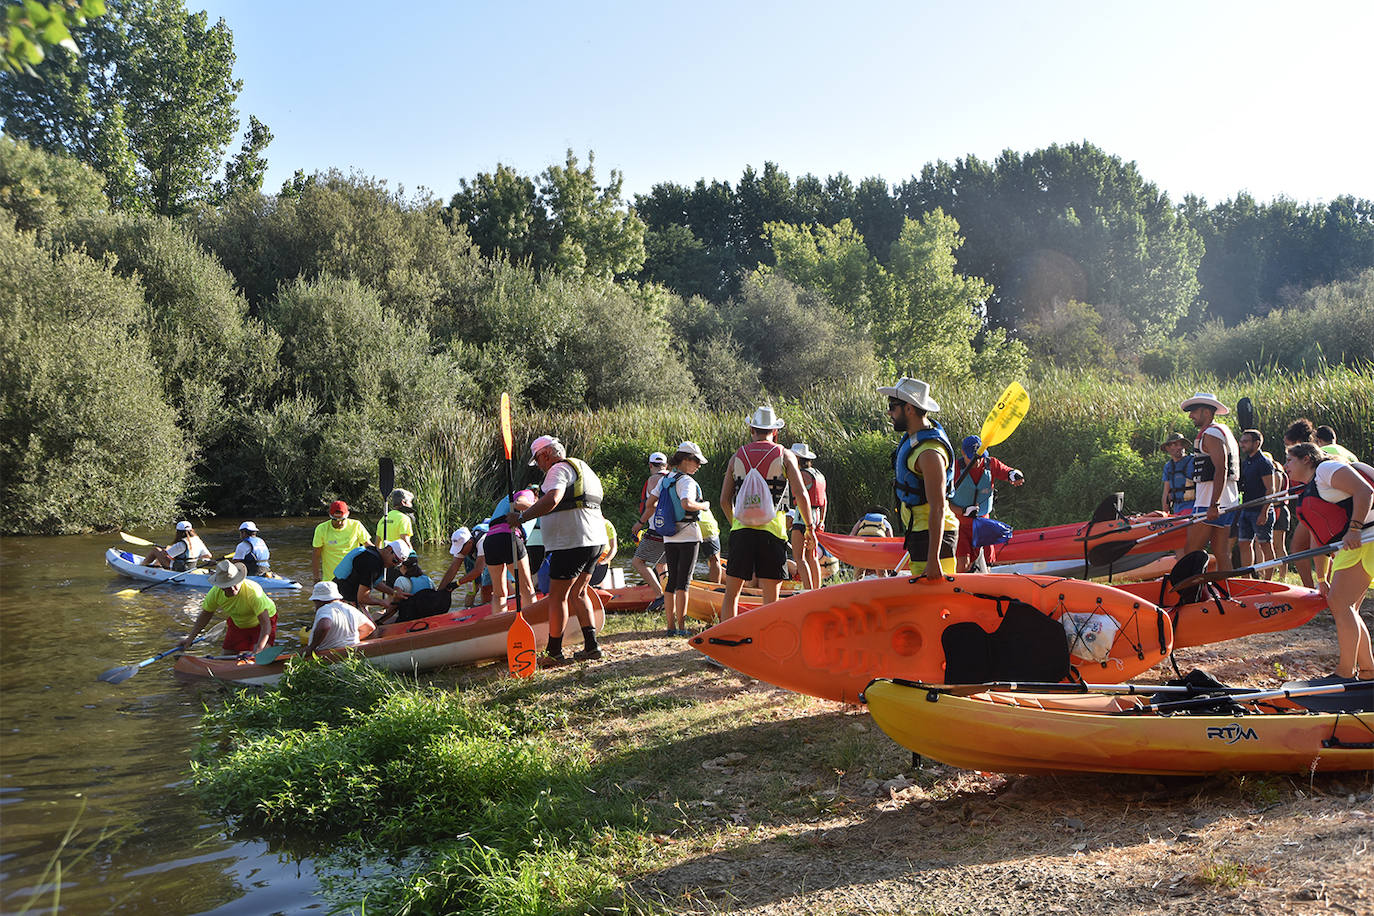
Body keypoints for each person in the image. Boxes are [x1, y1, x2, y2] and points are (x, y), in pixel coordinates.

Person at [511, 435, 607, 666]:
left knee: (557, 597)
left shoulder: (557, 470)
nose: (540, 466)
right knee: (579, 593)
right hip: (594, 540)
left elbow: (553, 499)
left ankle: (554, 653)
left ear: (545, 454)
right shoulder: (584, 467)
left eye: (538, 460)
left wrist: (522, 517)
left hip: (572, 542)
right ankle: (592, 647)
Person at [1283, 443, 1374, 681]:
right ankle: (1367, 671)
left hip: (1366, 537)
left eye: (1289, 460)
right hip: (1354, 544)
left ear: (1306, 459)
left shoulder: (1326, 469)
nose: (1285, 467)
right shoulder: (1312, 487)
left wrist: (1354, 529)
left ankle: (1346, 673)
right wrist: (1321, 578)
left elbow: (1365, 491)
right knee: (1347, 607)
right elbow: (1319, 538)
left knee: (1341, 604)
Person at [718, 406, 814, 623]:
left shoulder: (737, 456)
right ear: (775, 432)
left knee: (731, 595)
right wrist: (810, 528)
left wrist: (735, 523)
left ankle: (726, 644)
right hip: (773, 533)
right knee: (771, 598)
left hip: (741, 531)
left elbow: (724, 500)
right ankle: (768, 645)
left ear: (752, 429)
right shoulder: (785, 455)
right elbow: (801, 496)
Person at [881, 378, 958, 580]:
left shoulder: (930, 453)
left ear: (909, 409)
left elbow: (939, 507)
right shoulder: (914, 438)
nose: (889, 413)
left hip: (932, 539)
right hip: (919, 533)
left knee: (936, 605)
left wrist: (933, 559)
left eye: (892, 407)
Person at [640, 441, 711, 636]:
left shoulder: (665, 479)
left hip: (669, 536)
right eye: (696, 461)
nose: (698, 465)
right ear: (686, 460)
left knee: (671, 582)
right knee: (683, 582)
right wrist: (704, 505)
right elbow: (687, 503)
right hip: (688, 534)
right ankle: (682, 627)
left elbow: (651, 502)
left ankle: (670, 627)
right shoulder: (686, 481)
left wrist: (644, 521)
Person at [1182, 392, 1241, 572]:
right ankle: (1227, 592)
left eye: (1194, 411)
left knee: (1190, 551)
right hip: (1227, 501)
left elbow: (1221, 468)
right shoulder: (1224, 431)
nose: (1190, 415)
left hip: (1210, 502)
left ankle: (1189, 593)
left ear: (1207, 412)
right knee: (1221, 552)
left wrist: (1213, 504)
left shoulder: (1211, 434)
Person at [950, 435, 1024, 572]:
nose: (977, 462)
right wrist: (963, 511)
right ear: (962, 452)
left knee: (988, 563)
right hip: (961, 525)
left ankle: (986, 584)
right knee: (963, 563)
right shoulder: (953, 469)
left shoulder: (991, 464)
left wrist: (1014, 474)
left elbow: (1006, 472)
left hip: (983, 525)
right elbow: (942, 501)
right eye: (972, 458)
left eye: (979, 457)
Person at [179, 560, 277, 657]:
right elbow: (205, 615)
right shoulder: (215, 594)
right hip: (239, 622)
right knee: (226, 657)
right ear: (221, 586)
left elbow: (266, 625)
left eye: (235, 583)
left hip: (263, 622)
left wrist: (259, 650)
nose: (233, 588)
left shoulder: (253, 592)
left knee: (260, 654)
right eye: (228, 586)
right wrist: (190, 639)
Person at [483, 489, 538, 615]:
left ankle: (500, 625)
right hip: (508, 538)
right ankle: (534, 622)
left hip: (490, 541)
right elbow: (519, 503)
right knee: (528, 589)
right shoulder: (529, 493)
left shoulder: (505, 501)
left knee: (499, 593)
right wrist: (540, 507)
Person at [629, 451, 671, 613]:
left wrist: (640, 523)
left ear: (650, 465)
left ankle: (661, 595)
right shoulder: (673, 477)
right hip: (673, 530)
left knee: (637, 562)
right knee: (662, 565)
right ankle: (669, 599)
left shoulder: (653, 479)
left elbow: (651, 506)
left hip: (656, 529)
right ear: (666, 466)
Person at [333, 539, 410, 615]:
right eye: (395, 561)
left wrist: (394, 593)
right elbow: (362, 598)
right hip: (342, 601)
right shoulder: (372, 564)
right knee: (373, 627)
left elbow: (373, 582)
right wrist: (383, 602)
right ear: (389, 549)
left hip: (337, 591)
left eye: (398, 564)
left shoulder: (371, 551)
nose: (394, 565)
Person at [788, 443, 828, 589]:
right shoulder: (819, 475)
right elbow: (824, 500)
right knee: (812, 556)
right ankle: (816, 589)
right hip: (817, 515)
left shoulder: (801, 475)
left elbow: (798, 496)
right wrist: (822, 521)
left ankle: (808, 590)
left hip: (803, 516)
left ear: (797, 458)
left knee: (799, 557)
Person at [1235, 430, 1276, 570]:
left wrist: (1264, 512)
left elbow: (1270, 489)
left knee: (1265, 544)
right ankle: (1248, 576)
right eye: (1241, 441)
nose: (1242, 444)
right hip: (1246, 509)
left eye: (1245, 441)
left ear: (1256, 443)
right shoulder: (1246, 463)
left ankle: (1270, 579)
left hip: (1260, 510)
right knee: (1244, 544)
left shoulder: (1264, 463)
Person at [302, 580, 376, 657]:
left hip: (328, 655)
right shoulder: (350, 608)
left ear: (317, 600)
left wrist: (311, 648)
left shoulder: (324, 609)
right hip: (351, 652)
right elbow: (370, 627)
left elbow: (324, 626)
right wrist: (349, 642)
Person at [312, 501, 371, 582]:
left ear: (348, 514)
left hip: (352, 578)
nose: (339, 522)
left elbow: (369, 546)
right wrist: (316, 577)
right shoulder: (321, 529)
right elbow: (316, 555)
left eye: (342, 519)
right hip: (330, 581)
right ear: (330, 516)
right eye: (335, 519)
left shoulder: (356, 525)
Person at [142, 520, 213, 571]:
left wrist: (167, 548)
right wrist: (195, 557)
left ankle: (142, 567)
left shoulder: (182, 544)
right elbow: (208, 555)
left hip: (179, 569)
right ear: (191, 530)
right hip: (191, 568)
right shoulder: (197, 540)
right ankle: (155, 566)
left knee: (156, 550)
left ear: (178, 532)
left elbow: (164, 554)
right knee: (167, 554)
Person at [849, 509, 895, 578]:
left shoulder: (862, 520)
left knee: (859, 572)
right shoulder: (885, 522)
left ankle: (857, 584)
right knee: (881, 573)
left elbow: (852, 535)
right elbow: (891, 540)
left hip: (862, 546)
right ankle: (884, 585)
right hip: (878, 547)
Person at [1159, 433, 1196, 515]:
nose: (1179, 447)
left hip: (1194, 508)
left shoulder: (1193, 461)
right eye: (1175, 444)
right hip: (1177, 510)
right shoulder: (1168, 467)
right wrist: (1165, 514)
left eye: (1181, 444)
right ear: (1168, 448)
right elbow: (1166, 492)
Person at [697, 504, 723, 584]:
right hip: (707, 526)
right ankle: (715, 587)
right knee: (714, 559)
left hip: (693, 525)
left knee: (685, 558)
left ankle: (685, 585)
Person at [591, 517, 618, 588]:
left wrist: (604, 561)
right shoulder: (584, 524)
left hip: (601, 565)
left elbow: (614, 548)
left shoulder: (607, 524)